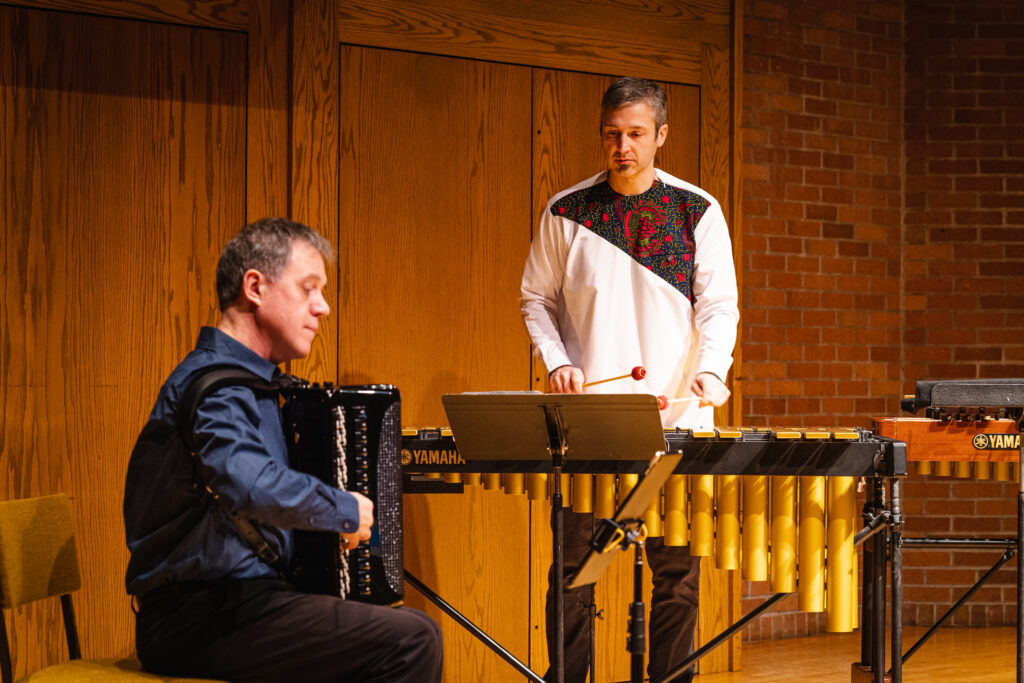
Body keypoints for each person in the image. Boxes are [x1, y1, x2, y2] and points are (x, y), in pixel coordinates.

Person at [123, 217, 442, 683]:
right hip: (196, 617)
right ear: (254, 286)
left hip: (242, 603)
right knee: (412, 640)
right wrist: (344, 509)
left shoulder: (257, 385)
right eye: (308, 289)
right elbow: (247, 483)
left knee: (407, 625)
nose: (324, 307)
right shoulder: (217, 388)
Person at [520, 77, 739, 683]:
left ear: (661, 136)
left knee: (677, 576)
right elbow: (535, 299)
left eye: (637, 135)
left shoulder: (698, 210)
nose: (623, 147)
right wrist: (558, 361)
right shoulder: (567, 211)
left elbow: (719, 304)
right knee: (574, 573)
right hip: (591, 422)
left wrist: (710, 369)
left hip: (676, 421)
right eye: (613, 135)